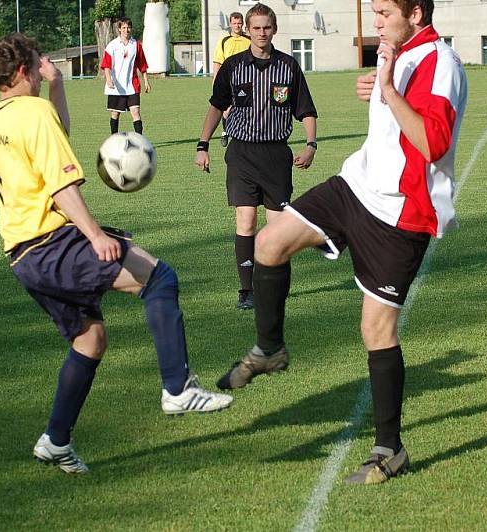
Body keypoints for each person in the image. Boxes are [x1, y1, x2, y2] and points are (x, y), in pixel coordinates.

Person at [214, 0, 467, 485]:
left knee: (376, 331)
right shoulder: (399, 52)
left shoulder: (441, 63)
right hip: (356, 186)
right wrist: (377, 90)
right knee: (269, 242)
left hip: (401, 212)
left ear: (415, 13)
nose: (374, 22)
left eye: (383, 12)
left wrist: (388, 90)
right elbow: (394, 111)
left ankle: (389, 450)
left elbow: (432, 142)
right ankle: (270, 348)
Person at [0, 33, 232, 475]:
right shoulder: (33, 112)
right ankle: (177, 388)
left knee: (90, 340)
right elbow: (62, 184)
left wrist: (57, 86)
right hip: (52, 243)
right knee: (159, 278)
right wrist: (96, 234)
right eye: (39, 61)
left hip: (23, 256)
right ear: (24, 71)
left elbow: (52, 146)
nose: (44, 67)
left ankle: (55, 441)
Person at [194, 3, 318, 311]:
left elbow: (306, 110)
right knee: (246, 220)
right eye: (256, 27)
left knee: (277, 229)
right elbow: (215, 106)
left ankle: (273, 286)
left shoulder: (288, 66)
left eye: (267, 27)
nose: (261, 32)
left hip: (276, 154)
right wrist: (202, 145)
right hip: (242, 153)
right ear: (247, 30)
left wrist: (311, 145)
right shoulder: (233, 66)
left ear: (274, 29)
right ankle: (246, 290)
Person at [101, 17, 151, 135]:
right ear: (119, 29)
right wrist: (108, 79)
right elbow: (106, 64)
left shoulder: (136, 45)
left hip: (132, 85)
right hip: (117, 87)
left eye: (128, 27)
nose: (126, 30)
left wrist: (146, 81)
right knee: (115, 113)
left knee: (136, 112)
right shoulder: (112, 45)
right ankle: (114, 138)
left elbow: (142, 64)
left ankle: (140, 140)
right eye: (123, 27)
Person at [212, 11, 251, 148]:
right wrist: (216, 80)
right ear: (230, 24)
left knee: (245, 108)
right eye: (234, 23)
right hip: (228, 80)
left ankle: (244, 135)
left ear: (243, 24)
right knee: (227, 109)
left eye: (239, 23)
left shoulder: (249, 40)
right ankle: (225, 132)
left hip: (245, 80)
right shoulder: (224, 41)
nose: (237, 26)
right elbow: (217, 62)